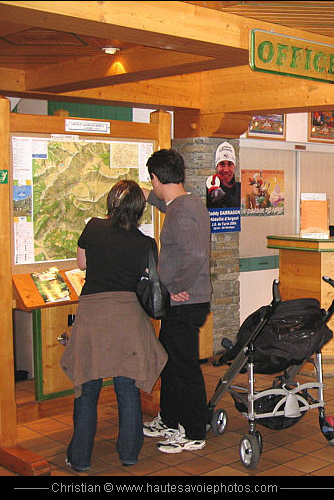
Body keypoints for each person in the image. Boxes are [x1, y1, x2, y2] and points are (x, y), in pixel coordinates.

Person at [60, 180, 168, 472]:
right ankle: (129, 453)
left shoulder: (94, 227)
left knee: (87, 387)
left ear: (111, 203)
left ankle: (80, 458)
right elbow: (148, 277)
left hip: (93, 315)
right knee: (127, 386)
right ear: (139, 209)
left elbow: (82, 264)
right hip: (128, 315)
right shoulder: (145, 243)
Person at [140, 149, 212, 454]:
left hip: (185, 301)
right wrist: (142, 194)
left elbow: (196, 254)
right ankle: (169, 419)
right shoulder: (186, 202)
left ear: (156, 177)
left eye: (150, 181)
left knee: (184, 367)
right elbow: (162, 200)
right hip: (184, 301)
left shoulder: (181, 211)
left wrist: (176, 287)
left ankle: (195, 431)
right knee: (170, 362)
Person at [206, 141, 240, 208]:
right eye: (222, 164)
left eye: (230, 164)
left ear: (234, 167)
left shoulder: (240, 189)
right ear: (217, 167)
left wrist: (225, 199)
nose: (226, 170)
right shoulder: (209, 189)